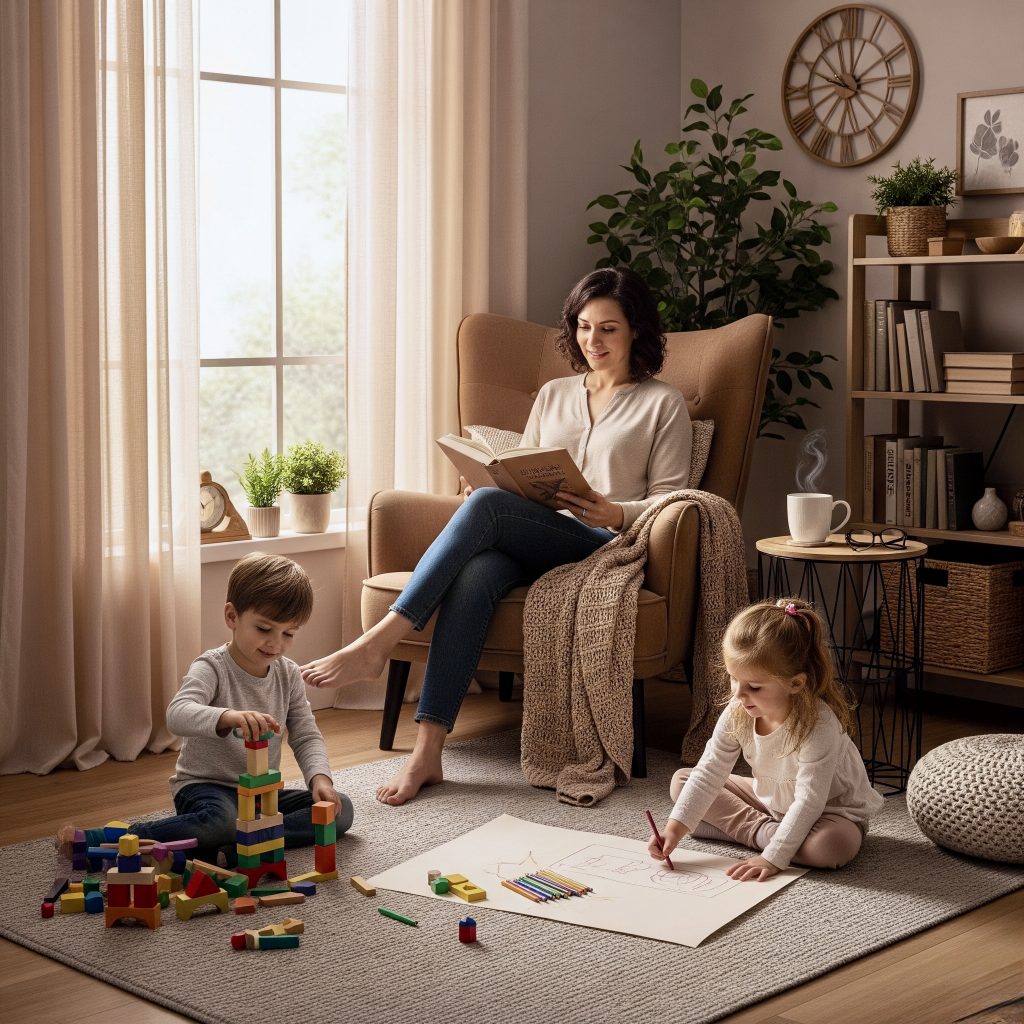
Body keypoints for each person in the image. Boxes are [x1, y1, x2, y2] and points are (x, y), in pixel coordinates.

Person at [300, 267, 693, 805]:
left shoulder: (663, 403)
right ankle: (428, 752)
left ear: (636, 331)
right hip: (538, 535)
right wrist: (491, 481)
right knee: (478, 570)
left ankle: (380, 642)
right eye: (583, 327)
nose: (593, 341)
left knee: (487, 509)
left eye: (608, 329)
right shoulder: (554, 394)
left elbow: (675, 498)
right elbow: (526, 468)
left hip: (604, 545)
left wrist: (615, 511)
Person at [58, 553, 353, 866]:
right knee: (220, 823)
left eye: (288, 633)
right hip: (205, 789)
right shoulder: (212, 667)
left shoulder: (288, 674)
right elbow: (177, 713)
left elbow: (306, 735)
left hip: (258, 796)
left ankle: (235, 849)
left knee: (340, 810)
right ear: (232, 616)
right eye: (264, 628)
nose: (275, 643)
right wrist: (226, 717)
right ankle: (115, 838)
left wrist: (320, 780)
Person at [649, 598, 885, 880]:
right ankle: (774, 834)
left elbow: (809, 800)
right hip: (773, 800)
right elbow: (710, 771)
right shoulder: (739, 710)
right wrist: (673, 831)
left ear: (795, 683)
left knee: (829, 847)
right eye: (733, 679)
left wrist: (772, 858)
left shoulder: (819, 724)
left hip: (830, 811)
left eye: (754, 686)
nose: (738, 694)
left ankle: (760, 834)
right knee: (682, 782)